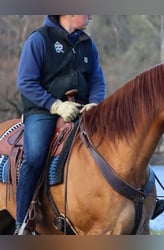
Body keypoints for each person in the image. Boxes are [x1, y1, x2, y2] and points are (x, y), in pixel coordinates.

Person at [15, 15, 106, 235]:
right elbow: (25, 82)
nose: (91, 14)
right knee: (35, 156)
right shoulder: (39, 40)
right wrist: (55, 106)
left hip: (82, 110)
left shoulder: (87, 43)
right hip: (43, 111)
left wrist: (94, 104)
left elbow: (97, 80)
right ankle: (22, 222)